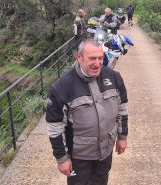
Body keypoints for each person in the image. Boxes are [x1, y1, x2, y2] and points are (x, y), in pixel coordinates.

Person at [46, 39, 129, 185]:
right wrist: (62, 159)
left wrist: (122, 136)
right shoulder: (62, 88)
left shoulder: (114, 77)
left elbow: (122, 109)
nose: (97, 63)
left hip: (105, 152)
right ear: (79, 57)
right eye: (92, 58)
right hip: (79, 157)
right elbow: (55, 128)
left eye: (100, 58)